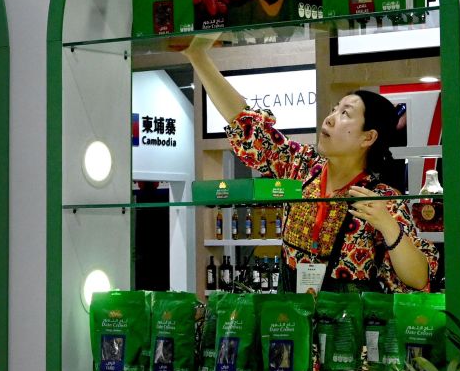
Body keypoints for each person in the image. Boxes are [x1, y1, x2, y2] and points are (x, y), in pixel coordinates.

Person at [184, 35, 438, 294]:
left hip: (346, 319)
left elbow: (418, 279)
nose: (329, 118)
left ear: (368, 137)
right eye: (334, 109)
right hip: (289, 315)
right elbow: (245, 123)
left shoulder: (382, 200)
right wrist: (198, 57)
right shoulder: (301, 166)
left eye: (345, 114)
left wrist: (388, 225)